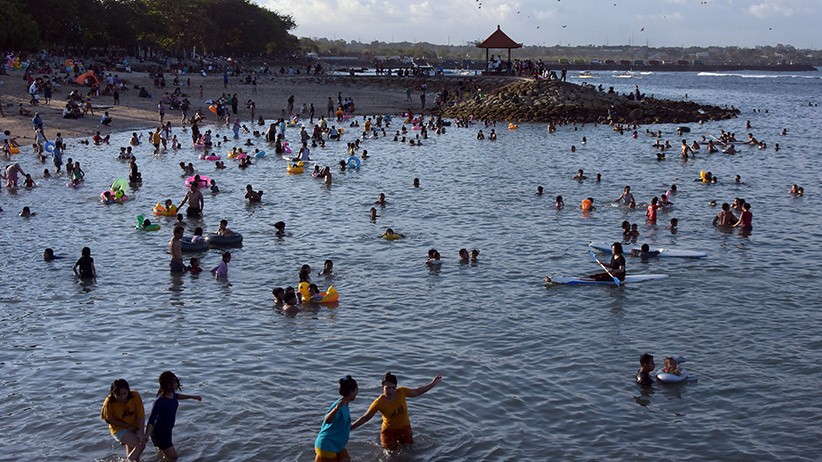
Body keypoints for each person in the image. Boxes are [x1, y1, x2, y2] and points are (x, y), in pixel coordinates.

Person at [351, 372, 443, 450]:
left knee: (409, 451)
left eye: (393, 388)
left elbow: (418, 391)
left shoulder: (402, 392)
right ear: (382, 387)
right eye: (387, 388)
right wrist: (351, 427)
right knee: (390, 455)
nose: (391, 391)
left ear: (396, 387)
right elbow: (366, 417)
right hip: (388, 432)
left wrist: (433, 383)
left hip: (405, 429)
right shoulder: (378, 403)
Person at [145, 371, 202, 461]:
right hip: (160, 433)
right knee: (174, 457)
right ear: (165, 384)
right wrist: (147, 435)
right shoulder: (160, 401)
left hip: (167, 431)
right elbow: (152, 420)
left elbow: (178, 396)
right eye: (172, 383)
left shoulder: (172, 395)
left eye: (175, 382)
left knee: (164, 455)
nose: (175, 385)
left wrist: (192, 397)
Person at [101, 379, 147, 462]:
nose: (122, 397)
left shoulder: (135, 396)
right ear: (113, 393)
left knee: (136, 457)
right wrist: (127, 426)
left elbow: (141, 416)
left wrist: (141, 432)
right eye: (118, 395)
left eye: (125, 394)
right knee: (140, 445)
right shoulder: (109, 402)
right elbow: (108, 419)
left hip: (134, 426)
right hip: (118, 428)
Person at [314, 376, 359, 462]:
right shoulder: (339, 405)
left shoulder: (345, 404)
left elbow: (346, 427)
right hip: (327, 446)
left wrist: (363, 420)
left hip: (337, 445)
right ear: (351, 391)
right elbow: (327, 420)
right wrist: (336, 408)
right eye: (357, 389)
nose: (358, 391)